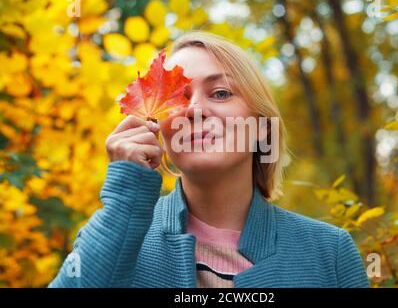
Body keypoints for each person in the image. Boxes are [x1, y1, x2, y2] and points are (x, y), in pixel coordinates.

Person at [49, 31, 369, 288]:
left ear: (261, 127)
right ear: (158, 126)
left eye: (220, 93)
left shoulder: (329, 252)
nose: (194, 110)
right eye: (178, 97)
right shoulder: (114, 234)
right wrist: (125, 198)